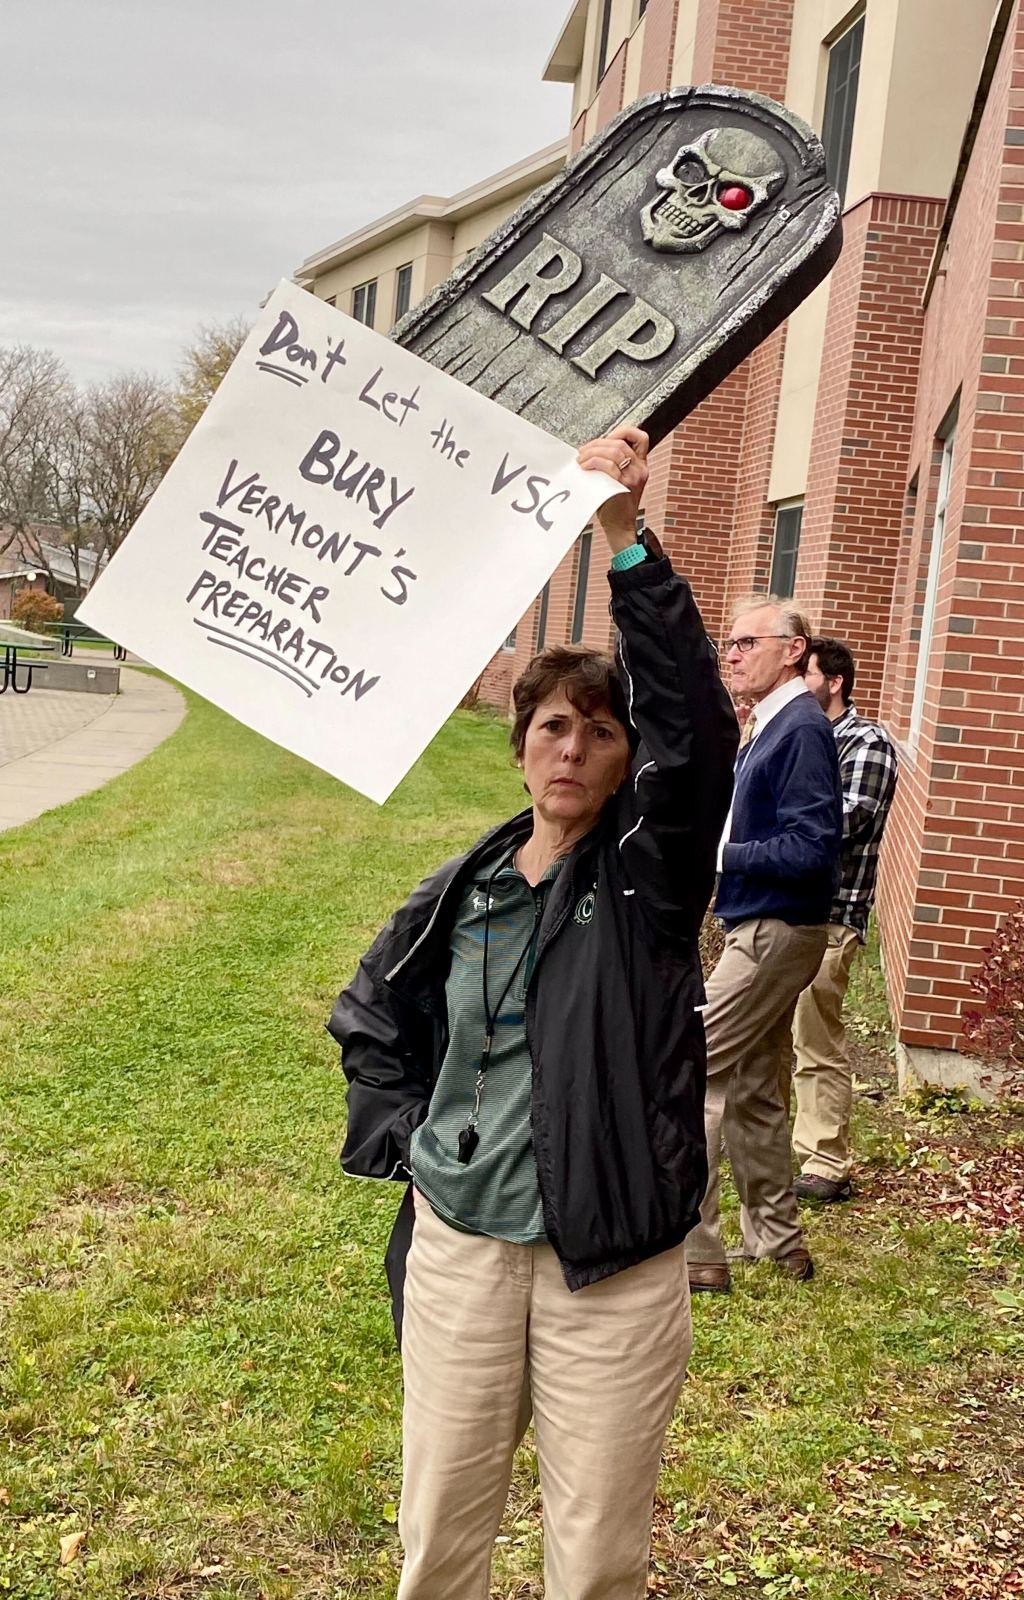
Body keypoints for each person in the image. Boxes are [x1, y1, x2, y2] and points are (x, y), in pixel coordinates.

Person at [328, 425, 738, 1600]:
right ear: (519, 750)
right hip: (461, 1253)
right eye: (551, 725)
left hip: (603, 1270)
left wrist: (621, 533)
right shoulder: (465, 885)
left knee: (596, 1553)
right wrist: (408, 1142)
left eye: (599, 731)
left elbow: (699, 728)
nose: (572, 746)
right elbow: (372, 1020)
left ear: (623, 761)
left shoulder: (650, 879)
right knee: (439, 1537)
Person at [685, 596, 842, 1293]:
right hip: (768, 928)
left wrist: (727, 855)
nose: (734, 653)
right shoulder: (772, 725)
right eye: (729, 642)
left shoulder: (800, 728)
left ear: (794, 649)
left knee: (685, 1067)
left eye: (749, 641)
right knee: (755, 1089)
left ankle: (693, 1254)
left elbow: (814, 846)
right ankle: (778, 1245)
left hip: (776, 932)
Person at [790, 638, 898, 1203]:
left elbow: (847, 820)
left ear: (833, 681)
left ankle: (826, 1161)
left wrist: (781, 809)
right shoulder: (796, 736)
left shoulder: (867, 742)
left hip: (832, 916)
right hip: (782, 911)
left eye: (803, 673)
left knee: (815, 1039)